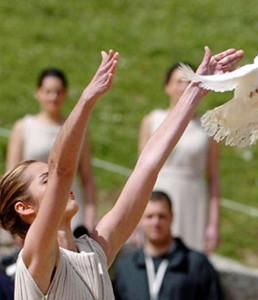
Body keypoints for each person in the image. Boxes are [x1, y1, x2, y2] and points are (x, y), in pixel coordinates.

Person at [0, 47, 243, 299]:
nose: (61, 184)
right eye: (45, 180)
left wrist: (195, 91)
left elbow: (148, 165)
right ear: (25, 208)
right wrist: (86, 101)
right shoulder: (35, 256)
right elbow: (62, 170)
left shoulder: (96, 251)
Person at [139, 63, 220, 253]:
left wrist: (213, 223)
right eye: (178, 82)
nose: (183, 87)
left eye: (188, 82)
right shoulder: (152, 120)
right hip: (157, 194)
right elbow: (140, 171)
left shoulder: (208, 127)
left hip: (193, 199)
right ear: (167, 86)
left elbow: (214, 177)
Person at [6, 68, 96, 234]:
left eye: (58, 92)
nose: (53, 97)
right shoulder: (24, 127)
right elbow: (12, 176)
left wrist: (90, 217)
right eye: (48, 92)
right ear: (38, 93)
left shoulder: (76, 129)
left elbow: (87, 177)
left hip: (71, 208)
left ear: (65, 94)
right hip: (35, 210)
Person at [113, 191, 224, 300]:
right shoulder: (125, 268)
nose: (156, 222)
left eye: (161, 216)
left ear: (172, 217)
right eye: (149, 216)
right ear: (140, 220)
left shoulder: (197, 264)